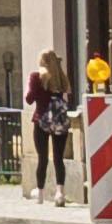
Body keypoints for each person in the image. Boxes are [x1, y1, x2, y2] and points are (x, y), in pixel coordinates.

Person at [26, 45, 72, 196]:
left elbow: (29, 99)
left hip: (42, 120)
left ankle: (40, 192)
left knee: (43, 157)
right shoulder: (61, 76)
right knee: (59, 158)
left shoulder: (37, 77)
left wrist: (31, 86)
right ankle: (60, 192)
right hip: (59, 120)